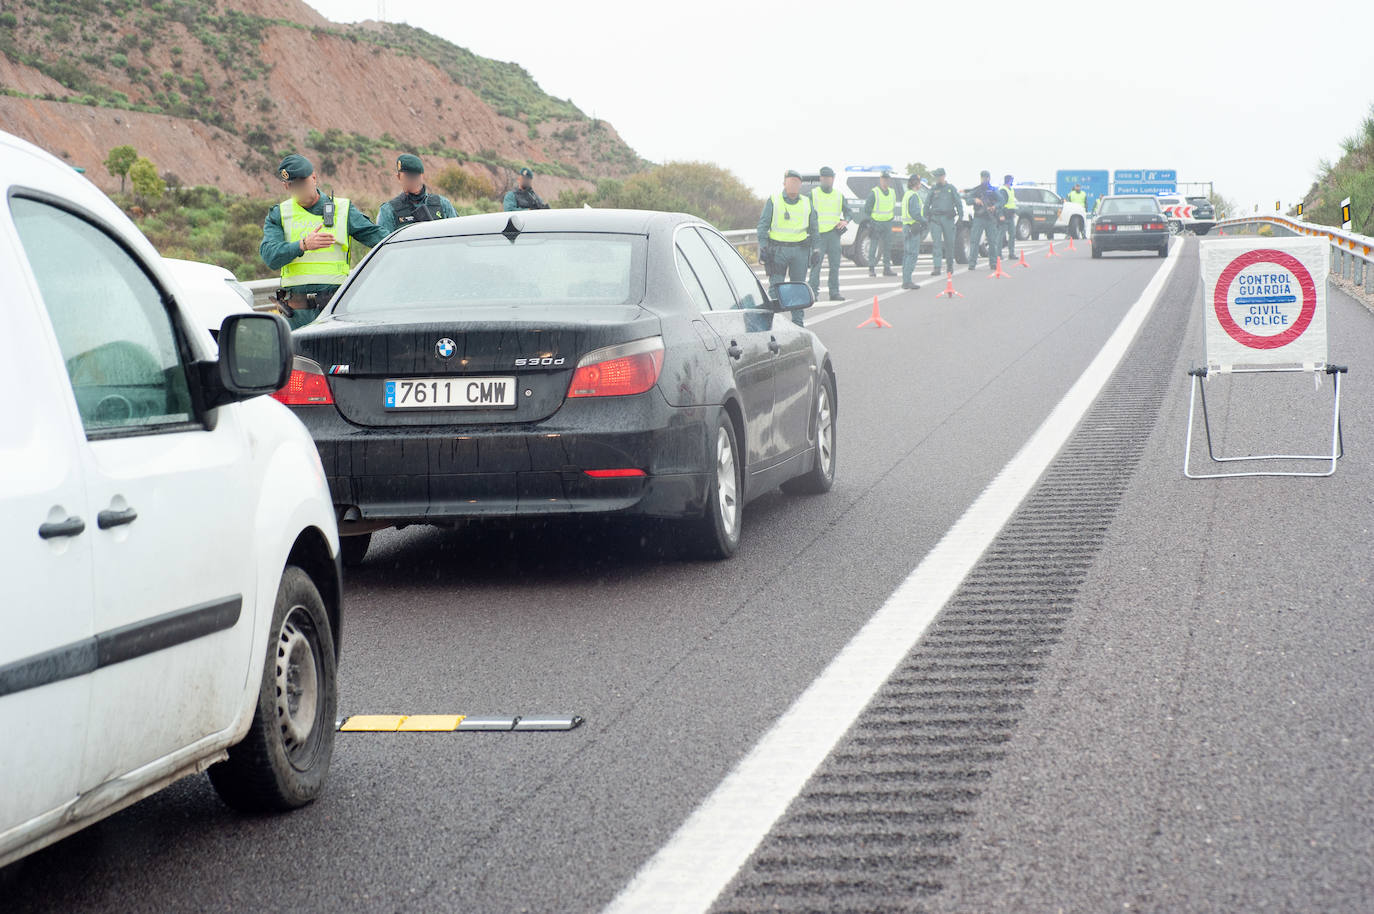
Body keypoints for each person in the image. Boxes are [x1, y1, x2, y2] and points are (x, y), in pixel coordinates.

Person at [258, 154, 386, 329]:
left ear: (314, 178)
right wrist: (302, 245)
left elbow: (379, 238)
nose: (300, 188)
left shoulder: (343, 209)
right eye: (294, 185)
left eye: (303, 182)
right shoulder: (279, 214)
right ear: (286, 186)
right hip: (298, 315)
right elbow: (270, 256)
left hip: (335, 310)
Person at [756, 169, 818, 326]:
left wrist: (816, 250)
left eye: (796, 183)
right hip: (777, 251)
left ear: (800, 185)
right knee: (775, 287)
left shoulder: (807, 202)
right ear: (784, 184)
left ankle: (798, 323)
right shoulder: (774, 200)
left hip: (800, 251)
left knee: (798, 288)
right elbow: (762, 226)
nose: (793, 186)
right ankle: (773, 323)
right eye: (790, 182)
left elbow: (814, 228)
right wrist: (763, 247)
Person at [376, 153, 459, 236]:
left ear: (422, 176)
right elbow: (384, 241)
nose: (411, 180)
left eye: (415, 176)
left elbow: (457, 234)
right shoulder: (388, 210)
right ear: (399, 177)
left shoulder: (443, 204)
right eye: (408, 176)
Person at [809, 166, 851, 302]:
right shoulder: (813, 194)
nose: (827, 180)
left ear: (833, 179)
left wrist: (845, 220)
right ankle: (813, 293)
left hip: (834, 235)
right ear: (821, 178)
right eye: (825, 178)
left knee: (835, 265)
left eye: (829, 178)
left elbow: (849, 212)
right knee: (816, 265)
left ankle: (834, 292)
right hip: (818, 236)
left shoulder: (839, 195)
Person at [924, 167, 964, 276]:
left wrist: (961, 217)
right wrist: (925, 218)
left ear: (943, 176)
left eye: (938, 176)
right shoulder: (933, 189)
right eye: (936, 176)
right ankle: (937, 267)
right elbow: (927, 203)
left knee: (949, 243)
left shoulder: (951, 188)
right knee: (936, 244)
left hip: (948, 219)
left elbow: (958, 203)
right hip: (936, 219)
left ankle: (950, 265)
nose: (937, 178)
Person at [861, 170, 897, 277]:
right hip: (876, 223)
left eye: (887, 179)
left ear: (889, 180)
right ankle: (871, 268)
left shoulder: (892, 192)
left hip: (888, 223)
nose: (885, 181)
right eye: (883, 179)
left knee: (887, 246)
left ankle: (887, 268)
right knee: (873, 246)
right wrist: (871, 222)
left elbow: (892, 206)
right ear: (880, 180)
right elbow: (867, 209)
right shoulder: (875, 192)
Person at [966, 169, 999, 271]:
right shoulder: (977, 190)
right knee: (974, 240)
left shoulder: (993, 190)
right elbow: (968, 200)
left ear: (989, 178)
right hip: (979, 218)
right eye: (983, 178)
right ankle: (972, 263)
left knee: (992, 241)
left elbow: (1001, 201)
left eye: (986, 178)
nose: (984, 179)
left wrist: (994, 207)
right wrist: (975, 200)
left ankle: (993, 263)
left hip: (990, 218)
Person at [900, 174, 928, 289]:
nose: (920, 184)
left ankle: (905, 280)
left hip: (906, 227)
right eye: (919, 182)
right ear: (917, 183)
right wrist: (924, 221)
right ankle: (907, 281)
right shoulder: (914, 196)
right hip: (913, 228)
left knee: (907, 254)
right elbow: (915, 213)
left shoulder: (907, 194)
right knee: (912, 255)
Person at [996, 174, 1018, 262]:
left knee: (1012, 234)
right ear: (1009, 181)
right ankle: (998, 254)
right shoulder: (1003, 190)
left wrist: (1014, 212)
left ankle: (1011, 253)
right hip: (1004, 216)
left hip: (1010, 216)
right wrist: (1000, 215)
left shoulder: (1011, 190)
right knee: (1001, 235)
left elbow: (1012, 203)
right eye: (1012, 180)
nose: (1013, 182)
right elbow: (1000, 204)